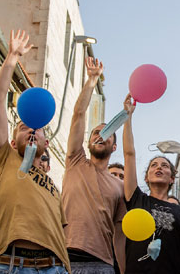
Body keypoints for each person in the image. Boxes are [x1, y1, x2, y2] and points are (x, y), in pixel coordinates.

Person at [0, 30, 69, 273]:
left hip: (54, 267)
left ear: (47, 143)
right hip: (12, 265)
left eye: (38, 128)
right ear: (13, 143)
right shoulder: (4, 159)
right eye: (23, 127)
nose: (32, 129)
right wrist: (12, 56)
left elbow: (61, 232)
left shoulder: (53, 187)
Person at [62, 57, 127, 274]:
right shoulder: (75, 161)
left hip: (101, 264)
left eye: (107, 133)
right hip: (63, 260)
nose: (100, 135)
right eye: (95, 133)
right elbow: (78, 115)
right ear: (88, 141)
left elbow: (119, 235)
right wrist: (91, 80)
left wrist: (121, 270)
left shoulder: (119, 186)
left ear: (114, 146)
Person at [121, 94, 180, 274]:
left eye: (164, 166)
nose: (159, 167)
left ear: (172, 178)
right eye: (154, 165)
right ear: (146, 178)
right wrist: (128, 116)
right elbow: (129, 155)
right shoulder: (137, 199)